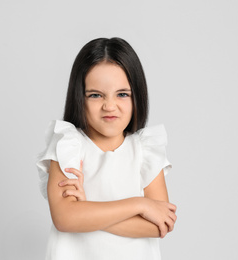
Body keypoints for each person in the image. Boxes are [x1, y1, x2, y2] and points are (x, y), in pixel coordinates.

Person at [36, 37, 177, 260]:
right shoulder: (68, 145)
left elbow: (160, 224)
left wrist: (87, 210)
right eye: (95, 95)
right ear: (79, 98)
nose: (109, 106)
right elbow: (65, 219)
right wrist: (139, 204)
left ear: (136, 96)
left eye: (122, 94)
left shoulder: (144, 151)